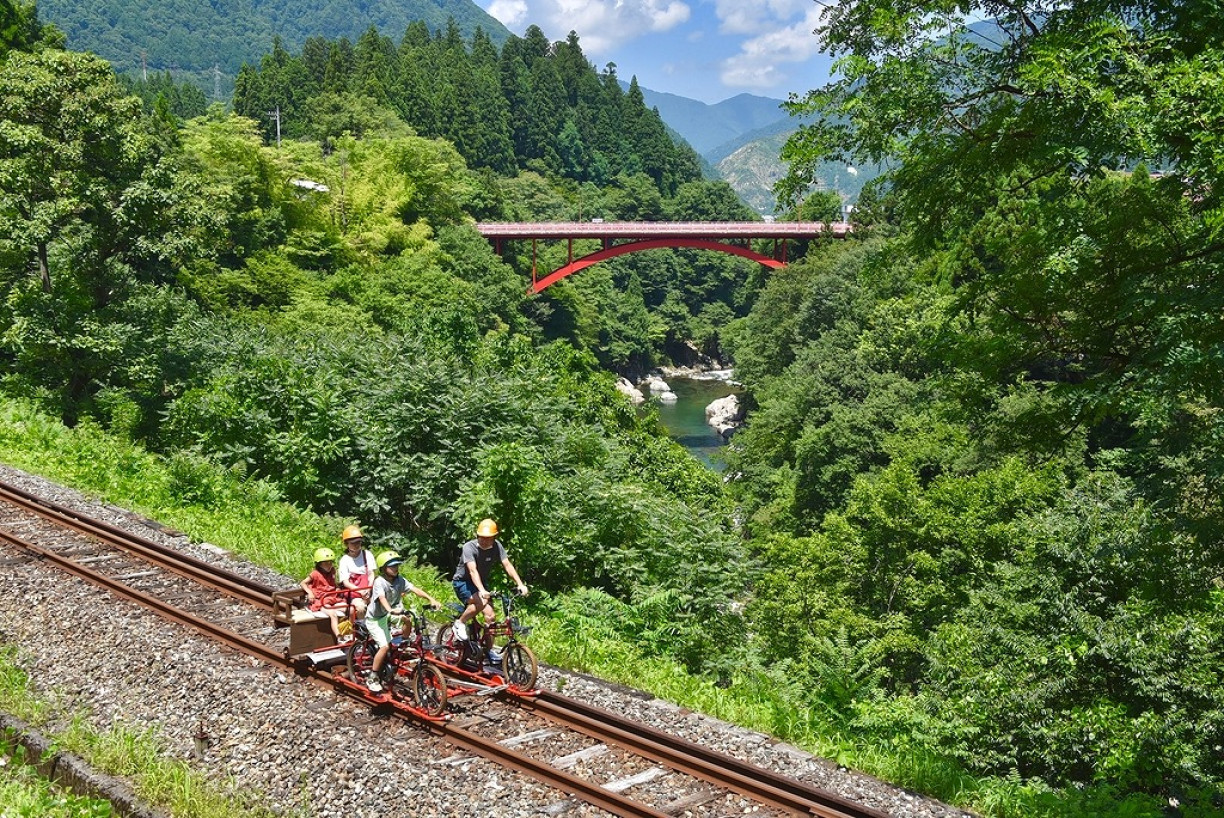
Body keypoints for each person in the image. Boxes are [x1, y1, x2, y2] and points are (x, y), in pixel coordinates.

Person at [364, 550, 442, 693]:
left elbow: (414, 589)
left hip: (390, 613)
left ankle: (403, 643)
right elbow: (381, 598)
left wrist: (431, 599)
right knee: (384, 647)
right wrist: (390, 610)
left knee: (408, 619)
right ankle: (373, 676)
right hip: (376, 618)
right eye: (392, 566)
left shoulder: (400, 580)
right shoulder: (379, 582)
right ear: (383, 568)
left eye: (397, 566)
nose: (395, 568)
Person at [450, 519, 528, 647]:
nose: (485, 541)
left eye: (488, 538)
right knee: (481, 601)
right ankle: (459, 623)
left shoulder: (497, 546)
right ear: (477, 536)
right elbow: (473, 571)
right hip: (462, 582)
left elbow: (507, 565)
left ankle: (488, 650)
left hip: (480, 583)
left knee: (491, 617)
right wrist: (481, 590)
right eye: (482, 537)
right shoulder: (469, 547)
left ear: (494, 537)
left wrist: (520, 584)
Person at [299, 547, 346, 641]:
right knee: (333, 614)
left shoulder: (332, 571)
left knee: (347, 608)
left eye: (330, 562)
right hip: (322, 600)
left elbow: (332, 583)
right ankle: (339, 636)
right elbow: (303, 583)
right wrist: (310, 592)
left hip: (332, 597)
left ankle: (348, 631)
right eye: (326, 563)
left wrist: (337, 587)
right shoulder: (315, 574)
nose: (329, 565)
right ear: (319, 564)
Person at [337, 525, 375, 624]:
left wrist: (368, 589)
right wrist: (361, 592)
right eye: (353, 543)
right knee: (360, 607)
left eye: (358, 542)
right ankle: (363, 626)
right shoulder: (344, 560)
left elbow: (371, 574)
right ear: (347, 544)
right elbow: (346, 582)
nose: (356, 545)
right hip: (355, 594)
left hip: (369, 590)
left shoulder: (367, 554)